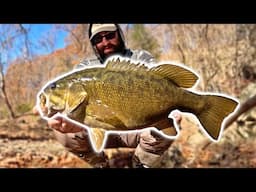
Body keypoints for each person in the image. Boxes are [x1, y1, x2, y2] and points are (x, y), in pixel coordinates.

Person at [38, 24, 182, 168]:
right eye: (98, 39)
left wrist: (172, 107)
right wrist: (64, 119)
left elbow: (161, 88)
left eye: (110, 35)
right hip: (104, 133)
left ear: (120, 34)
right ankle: (101, 164)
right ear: (93, 44)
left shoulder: (141, 58)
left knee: (164, 128)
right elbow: (69, 111)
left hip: (136, 131)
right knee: (63, 133)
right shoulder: (85, 67)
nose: (105, 42)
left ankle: (141, 164)